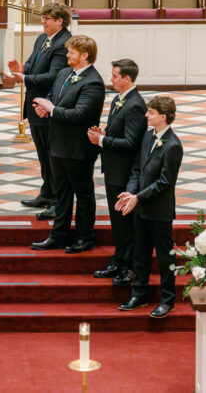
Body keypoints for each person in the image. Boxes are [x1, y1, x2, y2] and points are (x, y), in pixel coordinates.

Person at [30, 34, 104, 254]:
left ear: (85, 55)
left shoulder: (93, 83)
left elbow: (79, 114)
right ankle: (58, 234)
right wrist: (45, 108)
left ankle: (84, 237)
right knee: (61, 193)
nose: (67, 55)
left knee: (82, 193)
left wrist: (51, 109)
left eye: (71, 52)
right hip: (57, 144)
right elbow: (53, 96)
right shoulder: (64, 73)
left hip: (78, 148)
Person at [117, 95, 183, 319]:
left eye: (151, 112)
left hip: (159, 211)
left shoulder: (173, 146)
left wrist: (139, 197)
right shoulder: (147, 136)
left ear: (163, 116)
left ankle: (167, 300)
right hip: (140, 206)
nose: (146, 115)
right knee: (140, 253)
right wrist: (131, 193)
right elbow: (137, 168)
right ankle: (139, 294)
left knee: (165, 258)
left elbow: (165, 182)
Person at [6, 2, 72, 221]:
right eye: (42, 18)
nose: (42, 22)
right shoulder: (42, 38)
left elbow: (54, 76)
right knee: (42, 155)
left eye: (47, 18)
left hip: (47, 106)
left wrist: (23, 78)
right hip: (34, 106)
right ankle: (47, 192)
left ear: (60, 20)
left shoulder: (64, 43)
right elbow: (33, 63)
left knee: (51, 155)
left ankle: (56, 199)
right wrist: (22, 69)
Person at [88, 59, 147, 287]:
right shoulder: (118, 99)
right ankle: (118, 260)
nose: (110, 80)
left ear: (127, 79)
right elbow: (119, 131)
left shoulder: (135, 105)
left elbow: (132, 143)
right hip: (113, 170)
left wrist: (102, 140)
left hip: (125, 173)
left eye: (114, 76)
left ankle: (129, 267)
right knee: (117, 221)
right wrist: (104, 132)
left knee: (126, 222)